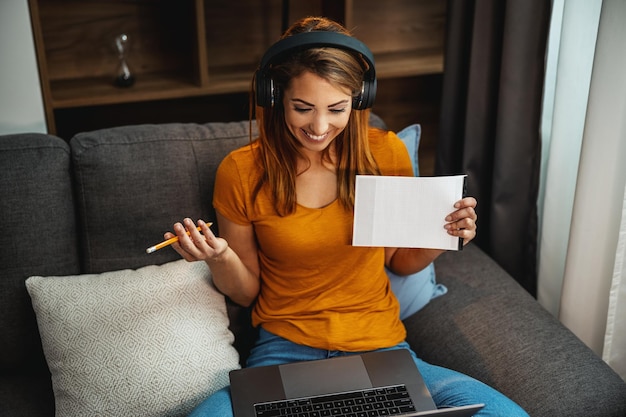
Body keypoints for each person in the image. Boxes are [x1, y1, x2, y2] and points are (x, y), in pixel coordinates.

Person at [166, 16, 528, 417]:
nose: (319, 127)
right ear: (274, 95)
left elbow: (401, 262)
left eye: (336, 109)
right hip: (284, 354)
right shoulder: (240, 171)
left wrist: (447, 235)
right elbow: (247, 293)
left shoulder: (385, 154)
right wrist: (220, 258)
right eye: (302, 108)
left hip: (382, 350)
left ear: (358, 98)